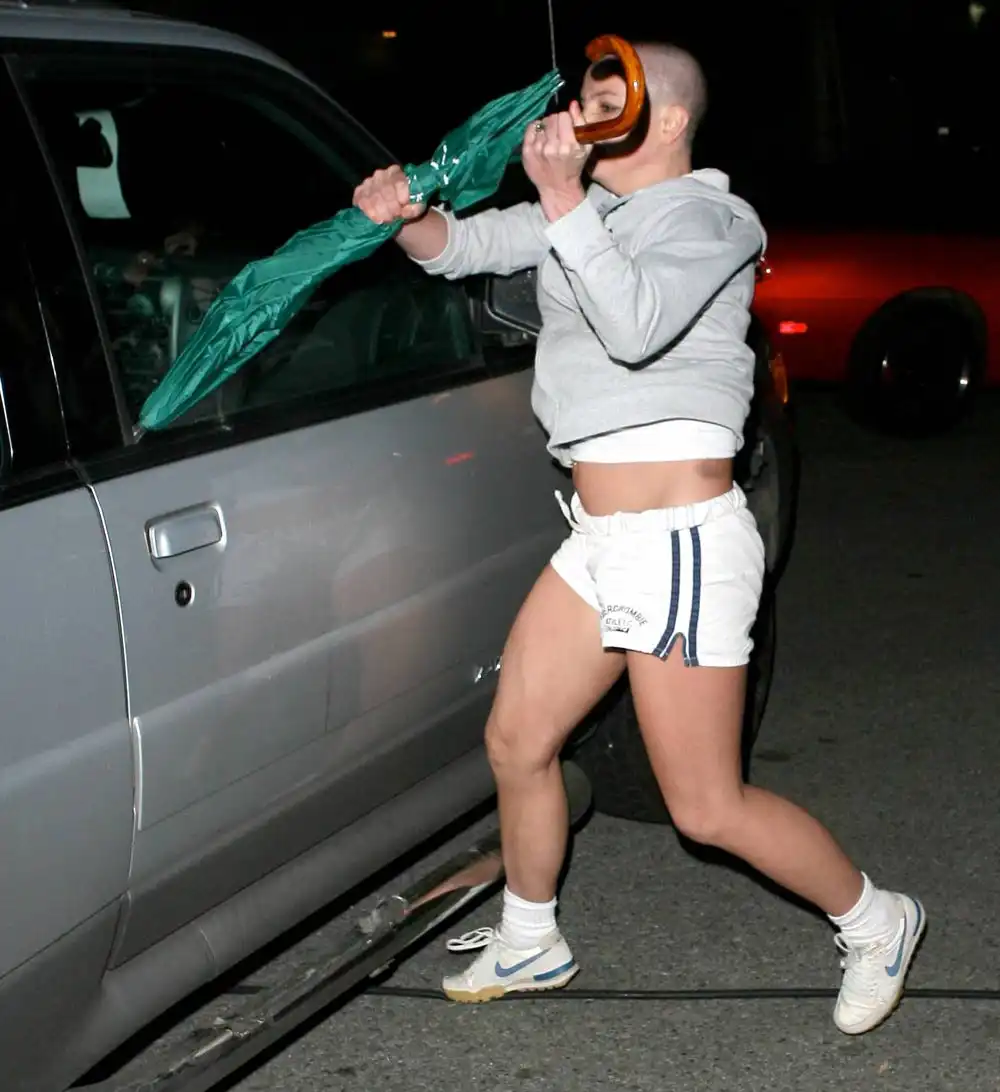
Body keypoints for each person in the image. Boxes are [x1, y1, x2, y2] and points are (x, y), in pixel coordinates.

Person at [353, 41, 925, 1035]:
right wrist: (404, 218)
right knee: (517, 740)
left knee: (704, 808)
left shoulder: (711, 219)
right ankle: (531, 937)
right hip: (600, 538)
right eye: (581, 99)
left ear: (666, 121)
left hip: (680, 542)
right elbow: (461, 248)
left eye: (607, 100)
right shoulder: (582, 212)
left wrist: (562, 201)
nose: (581, 116)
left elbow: (635, 325)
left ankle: (879, 921)